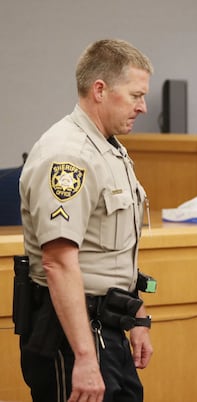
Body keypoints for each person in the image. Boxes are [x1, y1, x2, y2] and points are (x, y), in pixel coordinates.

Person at [19, 39, 154, 402]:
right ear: (100, 90)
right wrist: (84, 358)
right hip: (71, 336)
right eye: (136, 96)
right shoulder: (69, 155)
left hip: (107, 326)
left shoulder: (109, 147)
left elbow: (107, 252)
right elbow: (58, 262)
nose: (143, 107)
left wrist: (136, 313)